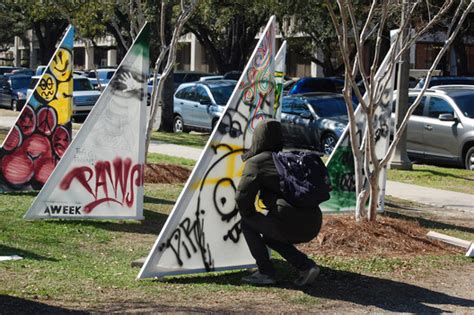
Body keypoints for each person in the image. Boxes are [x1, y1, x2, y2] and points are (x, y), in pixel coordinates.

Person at [235, 119, 323, 286]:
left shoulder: (257, 162)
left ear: (258, 138)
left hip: (288, 222)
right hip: (314, 223)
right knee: (271, 236)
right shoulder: (288, 159)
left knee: (247, 224)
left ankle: (266, 272)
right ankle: (306, 266)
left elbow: (242, 197)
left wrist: (250, 215)